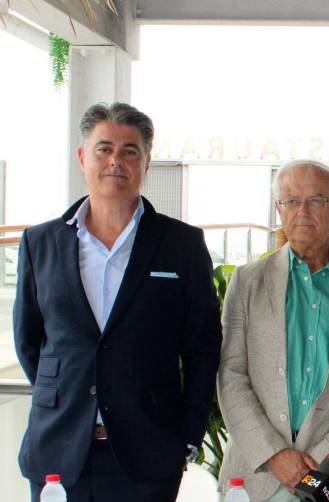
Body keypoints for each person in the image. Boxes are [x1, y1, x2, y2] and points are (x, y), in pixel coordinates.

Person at [13, 102, 222, 501]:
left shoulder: (182, 246)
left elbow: (203, 350)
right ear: (82, 158)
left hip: (148, 457)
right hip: (58, 452)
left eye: (130, 151)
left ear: (146, 163)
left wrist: (186, 439)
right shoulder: (40, 242)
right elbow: (30, 342)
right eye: (104, 149)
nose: (116, 161)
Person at [218, 160, 329, 501]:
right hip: (257, 478)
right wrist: (274, 454)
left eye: (317, 200)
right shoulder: (248, 281)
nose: (303, 211)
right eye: (291, 201)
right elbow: (230, 375)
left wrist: (324, 461)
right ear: (279, 208)